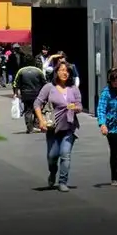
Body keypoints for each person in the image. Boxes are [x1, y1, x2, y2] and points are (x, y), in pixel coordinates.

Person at [34, 60, 82, 192]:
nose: (65, 73)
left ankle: (63, 181)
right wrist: (41, 120)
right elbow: (37, 104)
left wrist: (76, 108)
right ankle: (52, 172)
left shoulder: (73, 89)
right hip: (53, 128)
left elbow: (79, 105)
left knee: (65, 154)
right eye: (62, 70)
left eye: (67, 71)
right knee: (52, 156)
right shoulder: (49, 87)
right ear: (56, 72)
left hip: (69, 127)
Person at [13, 55, 47, 133]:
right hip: (37, 94)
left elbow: (15, 83)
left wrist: (15, 93)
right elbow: (44, 82)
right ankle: (36, 124)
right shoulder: (38, 71)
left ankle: (29, 128)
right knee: (37, 109)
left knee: (28, 110)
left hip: (26, 94)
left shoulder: (21, 71)